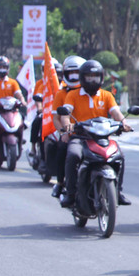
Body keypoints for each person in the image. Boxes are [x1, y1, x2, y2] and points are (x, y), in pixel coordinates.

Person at [59, 60, 133, 209]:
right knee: (73, 155)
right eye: (89, 77)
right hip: (80, 138)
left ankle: (117, 192)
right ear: (82, 78)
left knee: (120, 156)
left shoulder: (106, 95)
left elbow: (116, 112)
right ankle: (71, 193)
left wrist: (123, 123)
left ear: (101, 78)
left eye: (96, 77)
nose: (92, 80)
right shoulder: (73, 95)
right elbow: (65, 113)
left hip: (102, 138)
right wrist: (67, 125)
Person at [50, 56, 84, 198]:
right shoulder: (62, 93)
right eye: (71, 73)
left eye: (77, 72)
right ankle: (60, 182)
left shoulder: (92, 92)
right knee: (62, 148)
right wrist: (63, 132)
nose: (74, 76)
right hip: (71, 134)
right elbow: (57, 118)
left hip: (90, 133)